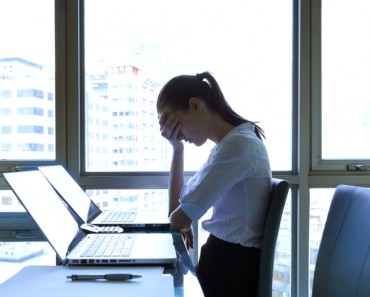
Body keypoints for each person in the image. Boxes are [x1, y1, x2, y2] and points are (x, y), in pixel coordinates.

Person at [157, 71, 272, 297]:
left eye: (173, 123)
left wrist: (182, 218)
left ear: (195, 105)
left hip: (230, 274)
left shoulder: (238, 147)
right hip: (224, 266)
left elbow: (178, 218)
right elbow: (177, 212)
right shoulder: (227, 146)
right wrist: (177, 149)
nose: (176, 134)